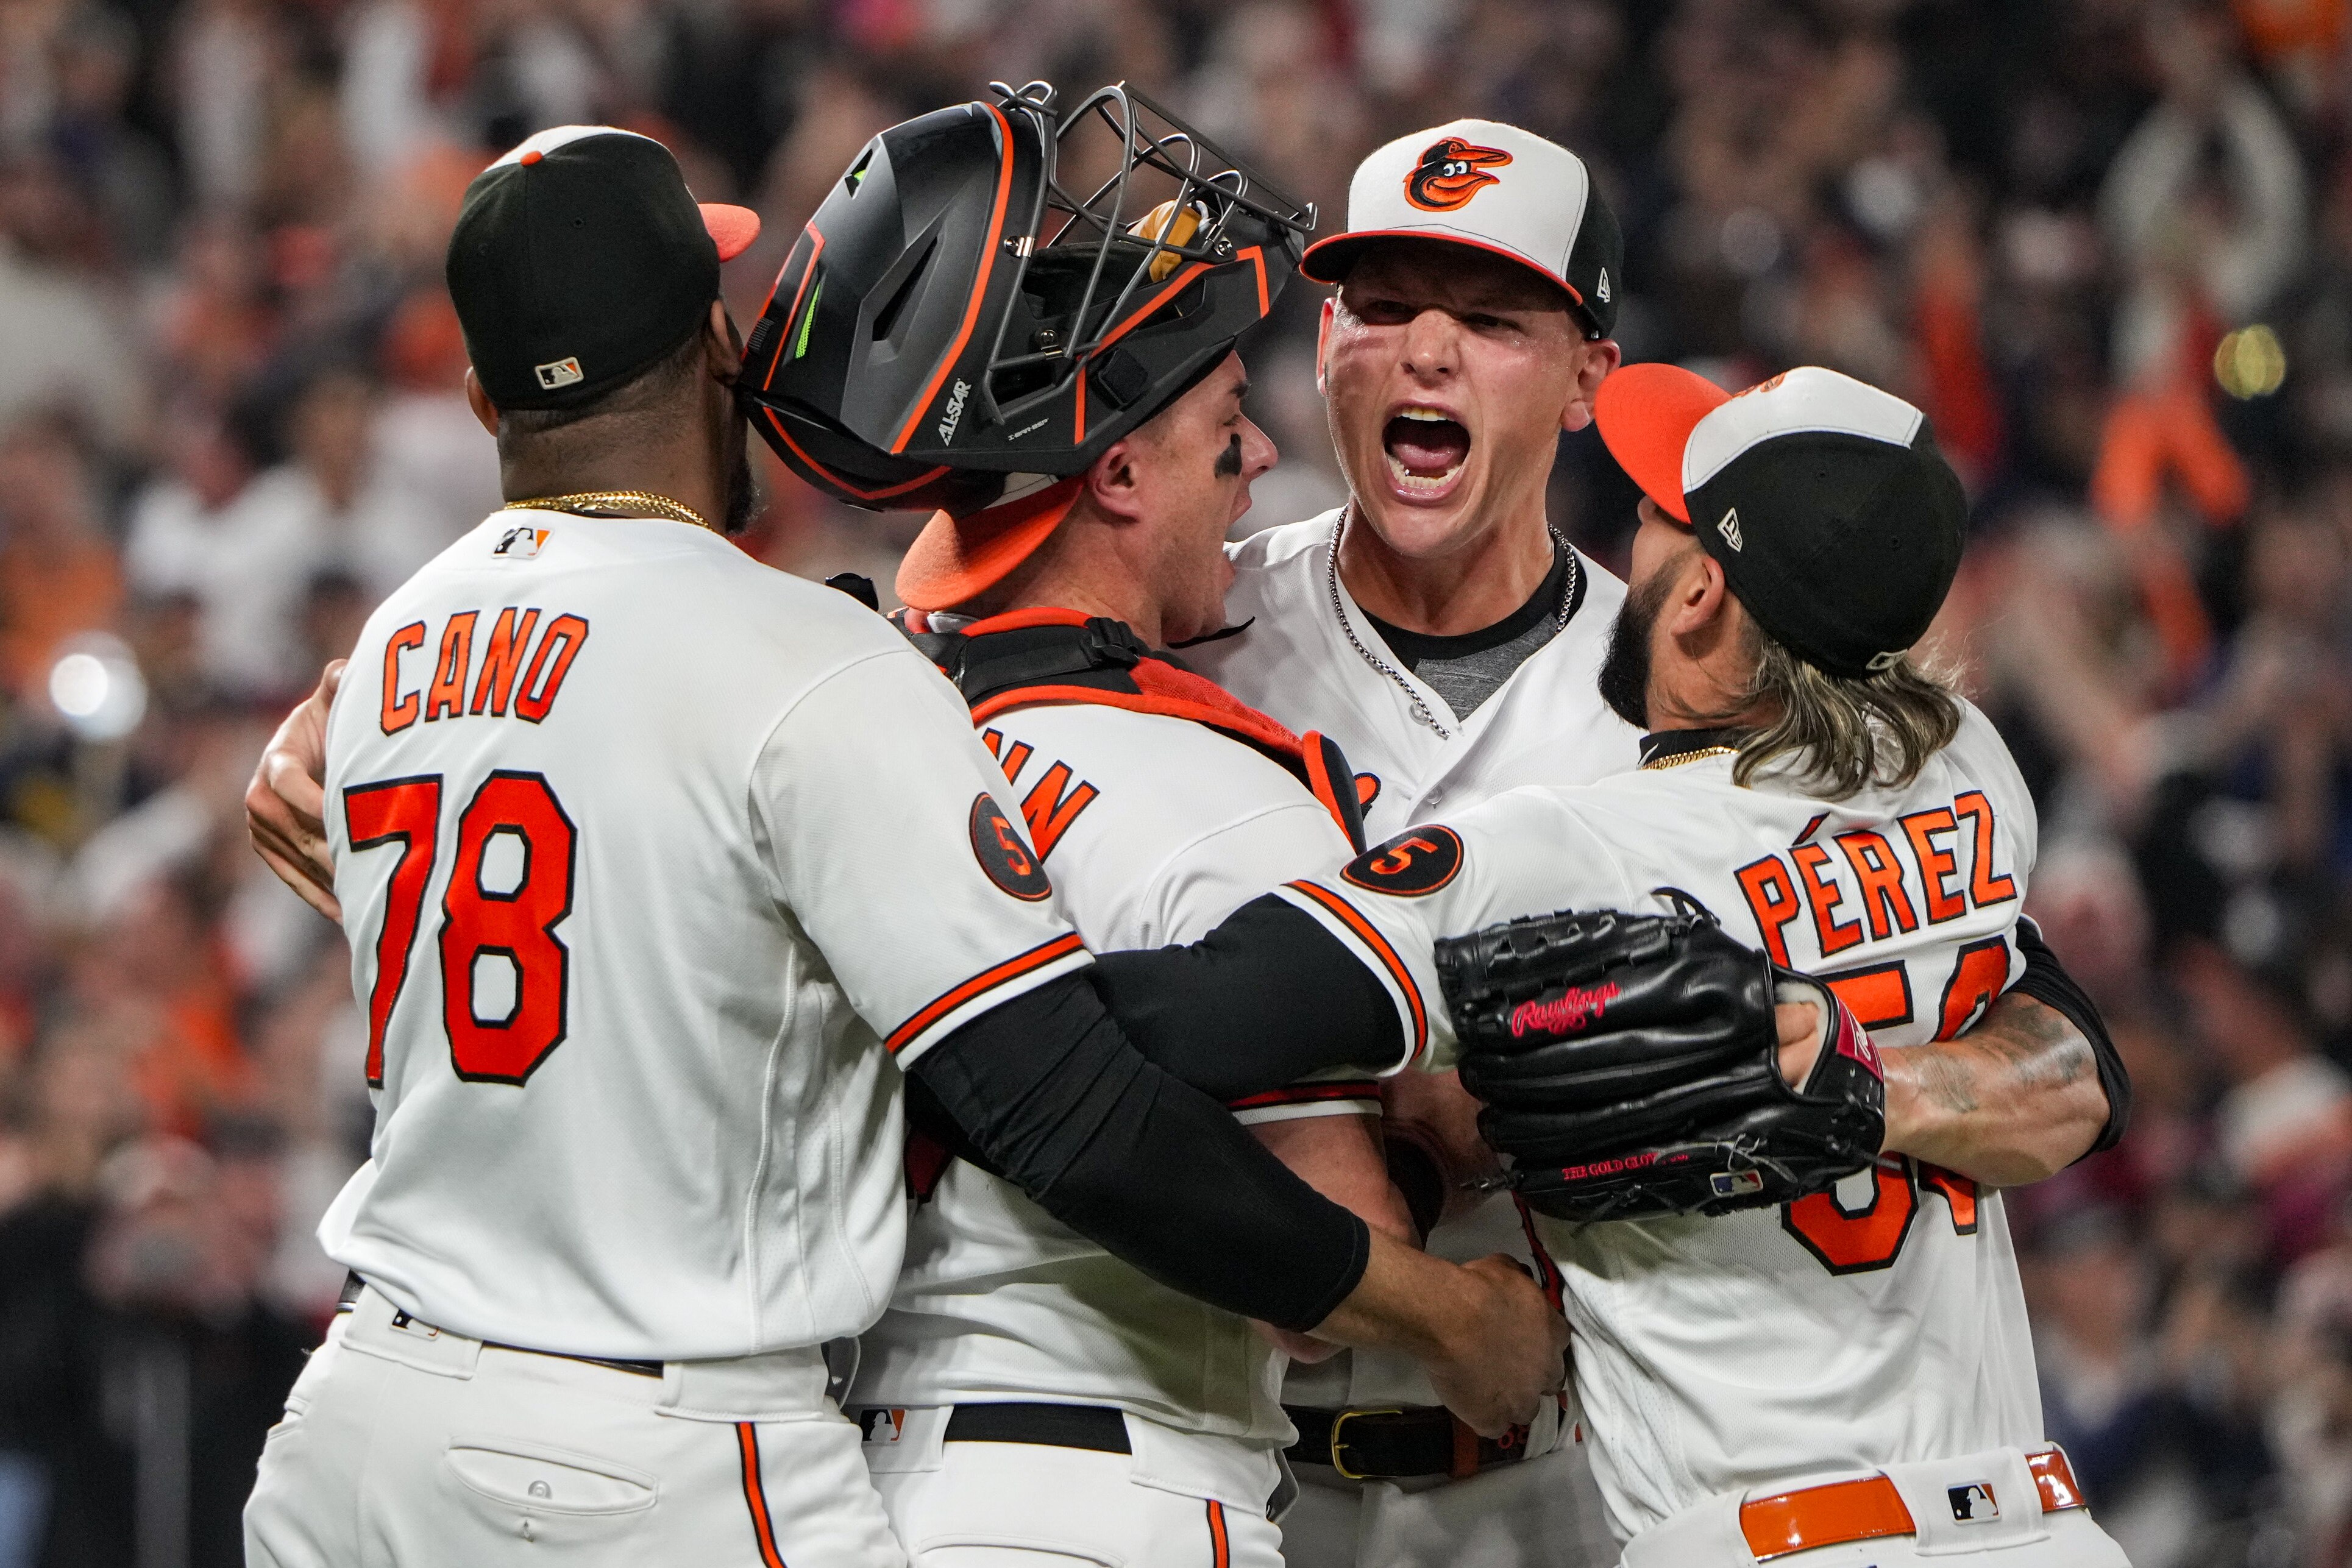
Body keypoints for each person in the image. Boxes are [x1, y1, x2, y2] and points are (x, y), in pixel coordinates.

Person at [239, 123, 1567, 1568]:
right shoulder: (813, 665)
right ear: (719, 340)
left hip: (359, 1419)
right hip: (646, 1451)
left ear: (486, 390)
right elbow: (1067, 1113)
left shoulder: (387, 654)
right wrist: (1452, 1312)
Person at [1179, 121, 2124, 1568]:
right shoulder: (1186, 632)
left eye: (1490, 320)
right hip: (1224, 1466)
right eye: (1379, 307)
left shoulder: (1715, 674)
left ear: (1585, 381)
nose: (1423, 351)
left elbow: (2056, 1052)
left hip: (1583, 1475)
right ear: (1322, 344)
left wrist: (1835, 1079)